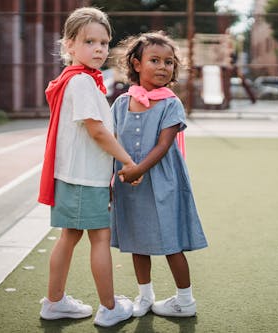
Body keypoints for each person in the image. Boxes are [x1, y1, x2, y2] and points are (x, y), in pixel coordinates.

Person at [37, 7, 135, 327]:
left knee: (70, 236)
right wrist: (128, 161)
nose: (98, 49)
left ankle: (55, 302)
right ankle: (109, 307)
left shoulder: (80, 80)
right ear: (69, 44)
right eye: (89, 41)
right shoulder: (80, 82)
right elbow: (97, 131)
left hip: (75, 176)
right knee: (99, 239)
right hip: (83, 178)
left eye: (104, 43)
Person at [110, 31, 208, 318]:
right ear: (136, 64)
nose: (164, 67)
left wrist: (139, 169)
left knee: (171, 241)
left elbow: (164, 145)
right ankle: (145, 296)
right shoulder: (120, 104)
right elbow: (114, 143)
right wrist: (112, 180)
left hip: (164, 183)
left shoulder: (171, 103)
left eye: (169, 62)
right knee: (137, 241)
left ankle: (185, 300)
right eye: (155, 60)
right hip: (129, 184)